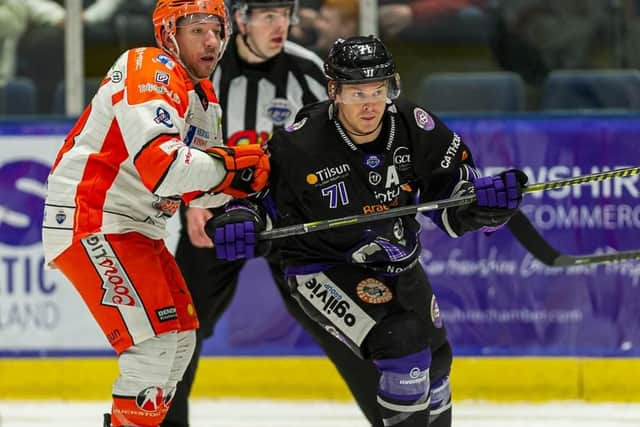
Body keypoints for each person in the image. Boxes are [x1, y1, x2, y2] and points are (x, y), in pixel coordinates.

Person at [207, 35, 528, 426]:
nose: (371, 104)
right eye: (358, 92)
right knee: (402, 342)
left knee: (437, 356)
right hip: (322, 266)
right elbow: (258, 202)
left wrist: (484, 205)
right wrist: (242, 221)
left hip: (396, 260)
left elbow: (452, 194)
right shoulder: (301, 141)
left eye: (380, 89)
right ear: (333, 91)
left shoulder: (413, 124)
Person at [41, 1, 270, 426]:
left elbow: (201, 190)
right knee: (153, 347)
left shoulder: (204, 100)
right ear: (168, 33)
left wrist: (253, 193)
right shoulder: (149, 67)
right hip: (94, 217)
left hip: (137, 229)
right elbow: (164, 167)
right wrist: (233, 168)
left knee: (180, 340)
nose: (212, 41)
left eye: (217, 30)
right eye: (198, 29)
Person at [162, 2, 384, 426]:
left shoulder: (308, 71)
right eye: (267, 16)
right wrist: (192, 201)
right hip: (218, 216)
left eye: (284, 15)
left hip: (292, 224)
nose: (280, 25)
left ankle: (396, 420)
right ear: (240, 21)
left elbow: (344, 143)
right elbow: (175, 140)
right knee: (177, 330)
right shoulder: (206, 69)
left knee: (343, 326)